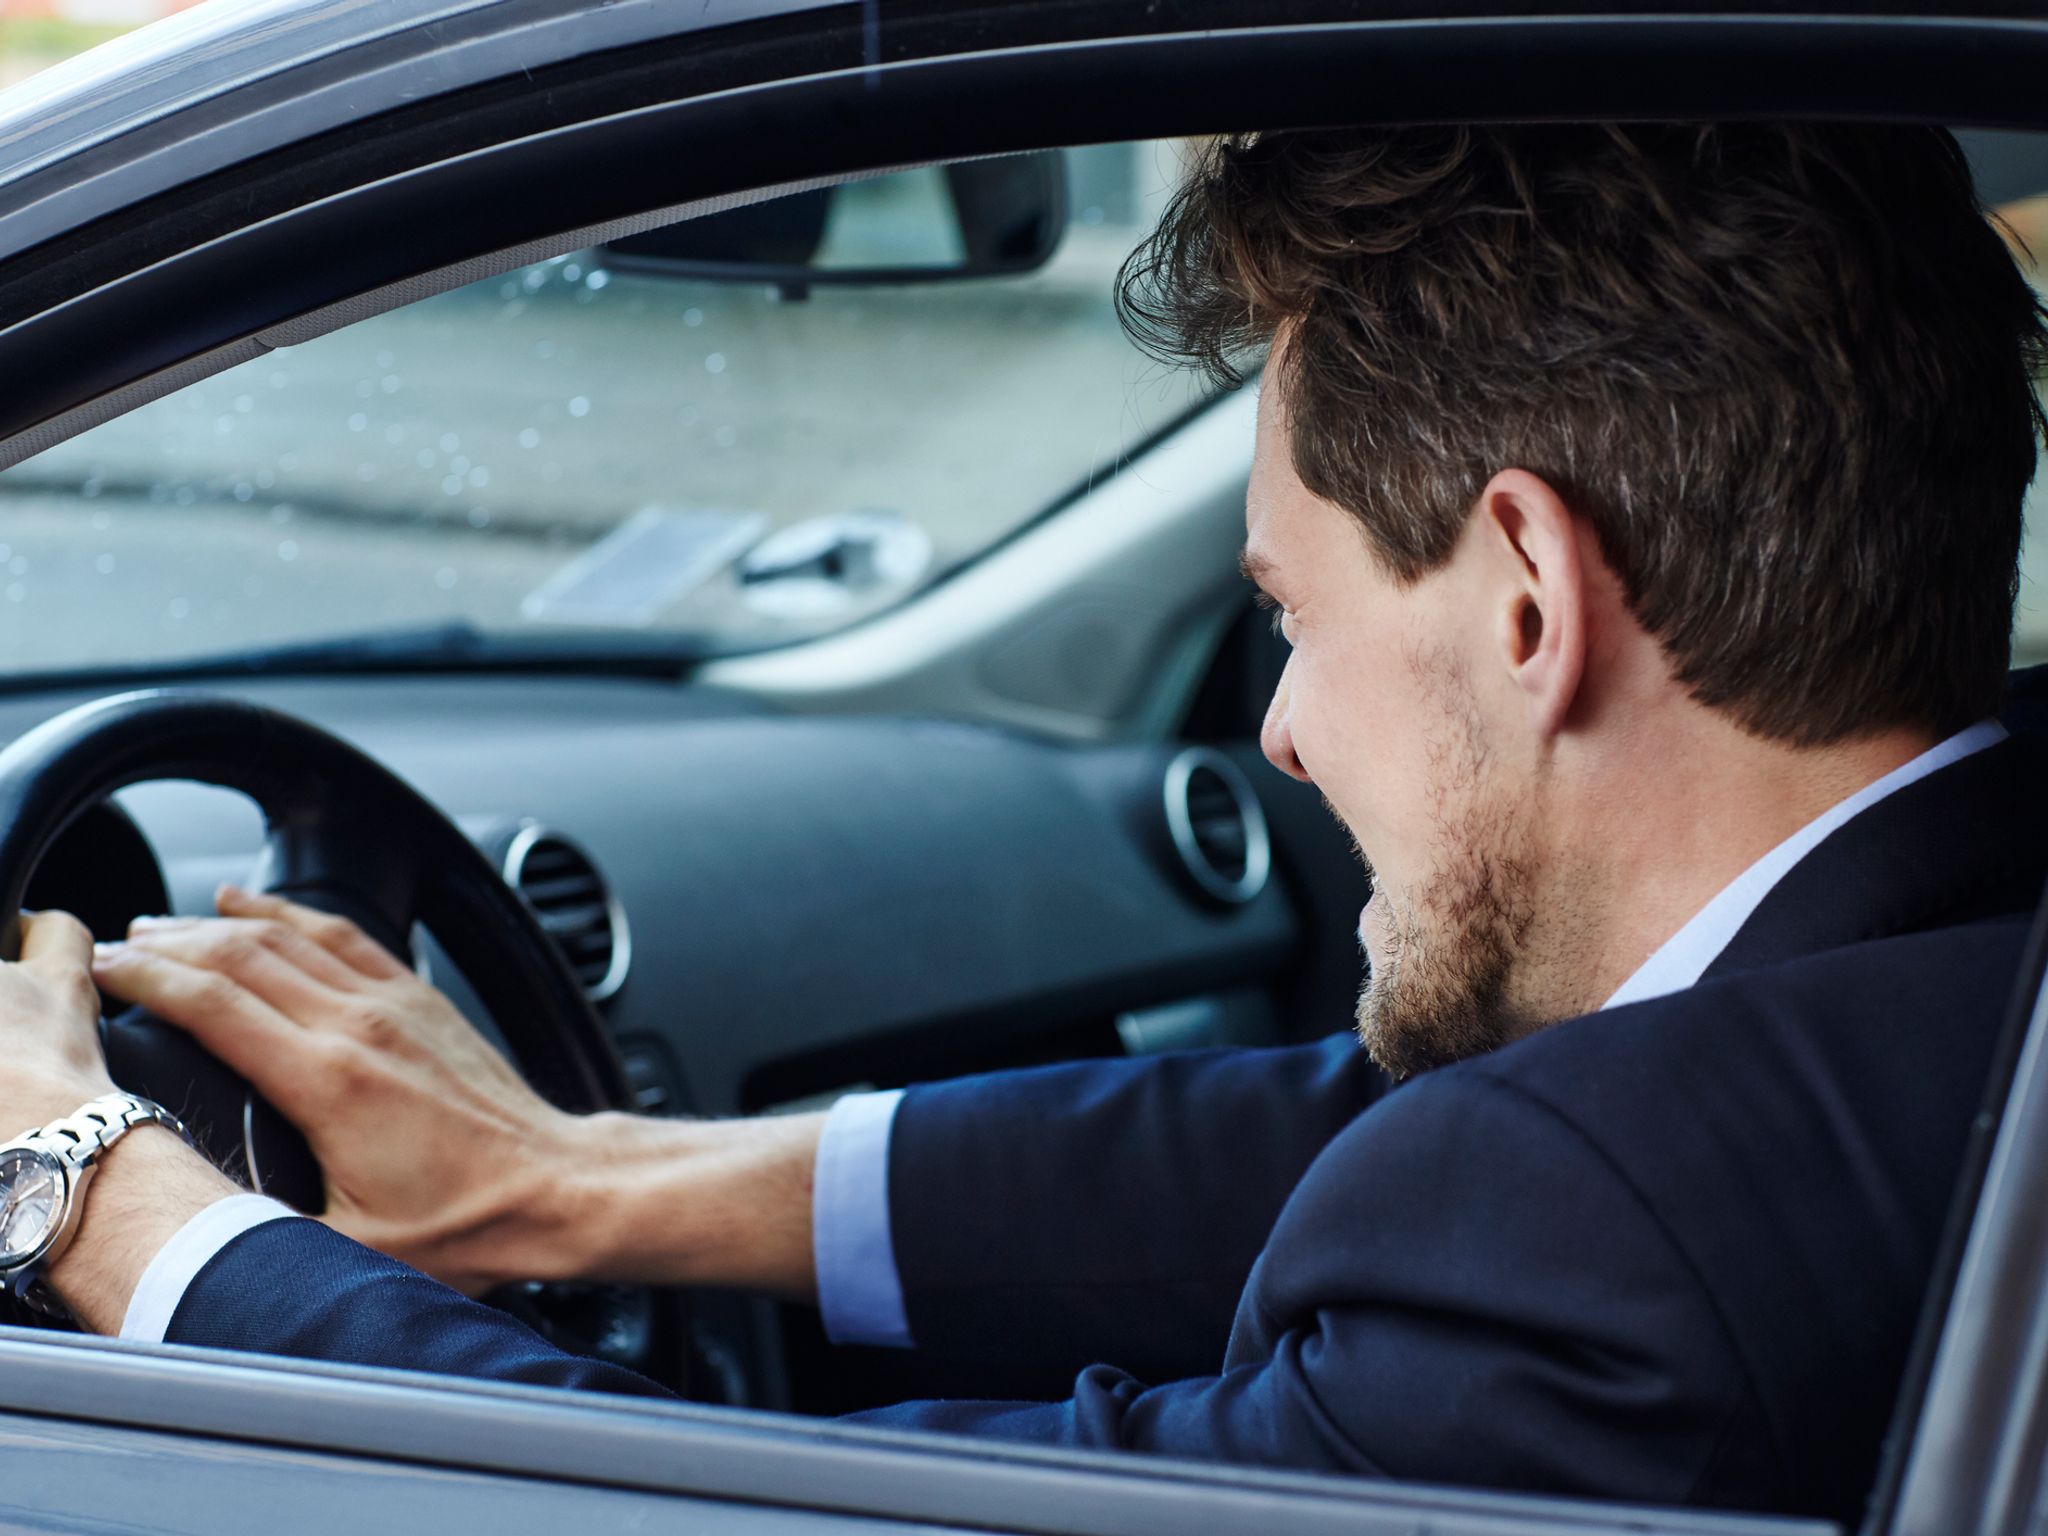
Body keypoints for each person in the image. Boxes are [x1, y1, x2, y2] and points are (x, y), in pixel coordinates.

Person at [0, 121, 2040, 1522]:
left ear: (1524, 595)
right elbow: (1372, 1151)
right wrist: (582, 1179)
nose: (1289, 738)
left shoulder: (1623, 1252)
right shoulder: (1947, 986)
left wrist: (105, 1196)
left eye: (1286, 615)